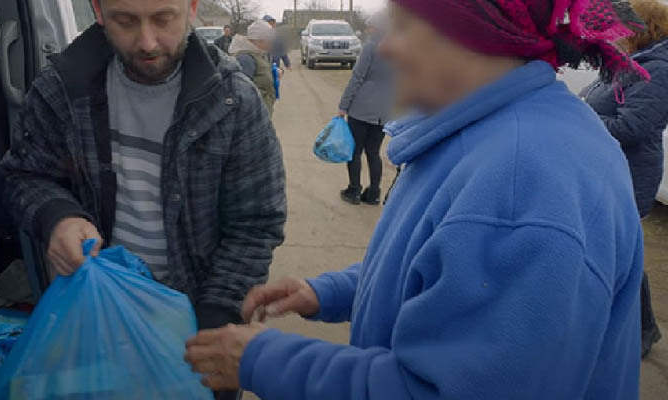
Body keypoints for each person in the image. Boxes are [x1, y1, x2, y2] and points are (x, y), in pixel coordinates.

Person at [185, 1, 646, 399]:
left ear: (469, 35)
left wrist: (263, 360)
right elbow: (441, 267)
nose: (384, 47)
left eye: (403, 25)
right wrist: (327, 292)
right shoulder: (487, 134)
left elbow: (438, 390)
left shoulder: (521, 184)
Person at [0, 0, 287, 398]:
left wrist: (213, 325)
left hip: (196, 319)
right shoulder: (62, 89)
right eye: (126, 21)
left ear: (191, 8)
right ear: (99, 11)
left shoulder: (234, 103)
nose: (147, 42)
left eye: (163, 18)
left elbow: (256, 225)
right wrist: (57, 217)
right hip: (96, 317)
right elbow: (25, 175)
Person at [580, 0, 667, 358]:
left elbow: (631, 126)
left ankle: (643, 328)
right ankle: (635, 325)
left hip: (631, 173)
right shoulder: (631, 62)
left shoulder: (659, 68)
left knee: (622, 251)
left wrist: (576, 118)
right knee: (617, 250)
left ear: (642, 26)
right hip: (610, 170)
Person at [337, 12, 394, 206]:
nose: (368, 29)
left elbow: (357, 77)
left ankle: (353, 190)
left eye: (370, 26)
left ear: (376, 27)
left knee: (354, 151)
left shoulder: (371, 47)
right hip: (384, 110)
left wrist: (343, 106)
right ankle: (374, 193)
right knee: (373, 151)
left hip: (362, 107)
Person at [229, 20, 277, 114]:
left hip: (260, 114)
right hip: (252, 117)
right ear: (260, 40)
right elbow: (241, 94)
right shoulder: (245, 59)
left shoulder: (257, 54)